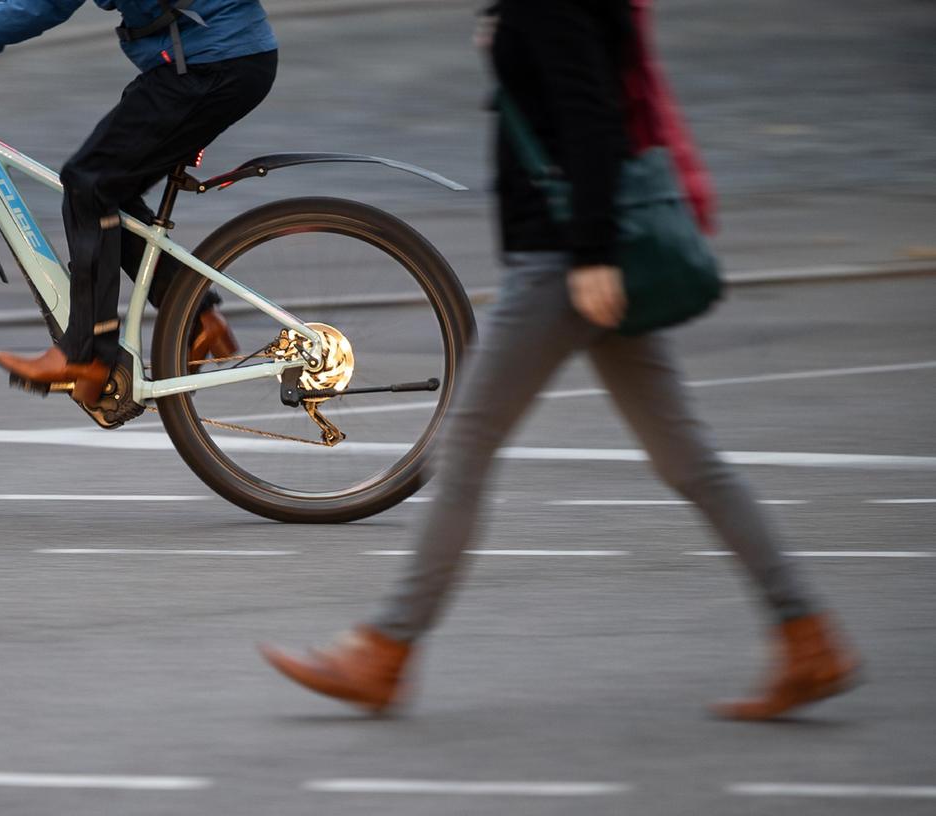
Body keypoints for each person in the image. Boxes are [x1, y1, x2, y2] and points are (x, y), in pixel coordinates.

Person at [258, 0, 860, 721]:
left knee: (467, 446)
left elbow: (589, 113)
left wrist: (594, 253)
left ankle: (384, 651)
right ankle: (807, 637)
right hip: (572, 253)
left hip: (563, 263)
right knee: (687, 458)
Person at [0, 0, 278, 404]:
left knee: (90, 183)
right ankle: (195, 319)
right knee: (107, 187)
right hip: (216, 58)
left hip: (212, 61)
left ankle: (85, 356)